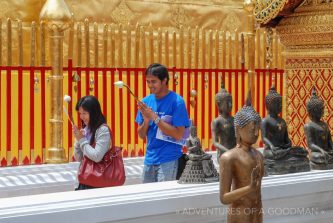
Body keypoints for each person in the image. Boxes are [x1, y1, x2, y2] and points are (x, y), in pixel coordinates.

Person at [136, 63, 190, 183]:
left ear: (164, 80)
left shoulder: (177, 102)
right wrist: (146, 120)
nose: (150, 85)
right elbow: (141, 135)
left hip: (169, 159)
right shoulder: (145, 102)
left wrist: (155, 118)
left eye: (153, 81)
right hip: (149, 159)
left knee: (164, 199)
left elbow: (178, 134)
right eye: (148, 81)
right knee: (147, 199)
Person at [220, 94, 264, 223]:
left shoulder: (259, 156)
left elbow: (258, 194)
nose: (256, 133)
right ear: (239, 130)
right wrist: (249, 188)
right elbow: (224, 198)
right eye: (252, 129)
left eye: (258, 129)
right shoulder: (229, 157)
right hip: (240, 215)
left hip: (257, 214)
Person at [261, 86, 309, 174]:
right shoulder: (265, 121)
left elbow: (286, 138)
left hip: (283, 150)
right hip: (272, 151)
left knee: (301, 151)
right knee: (272, 156)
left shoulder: (282, 121)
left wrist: (288, 143)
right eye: (277, 103)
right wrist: (271, 146)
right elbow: (264, 138)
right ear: (269, 105)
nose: (280, 106)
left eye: (281, 103)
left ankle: (288, 158)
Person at [73, 95, 111, 190]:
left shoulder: (103, 130)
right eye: (80, 113)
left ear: (93, 112)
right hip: (83, 179)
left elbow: (97, 156)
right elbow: (79, 158)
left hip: (97, 182)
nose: (82, 117)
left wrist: (82, 140)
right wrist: (78, 142)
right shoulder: (86, 129)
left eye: (85, 113)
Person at [304, 88, 333, 170]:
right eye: (321, 110)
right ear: (313, 111)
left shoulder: (325, 125)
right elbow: (311, 145)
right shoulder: (308, 126)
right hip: (317, 153)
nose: (323, 112)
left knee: (327, 156)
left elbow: (329, 141)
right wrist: (321, 150)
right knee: (319, 157)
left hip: (327, 151)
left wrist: (331, 148)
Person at [211, 84, 236, 164]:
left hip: (235, 152)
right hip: (224, 154)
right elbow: (215, 143)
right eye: (227, 102)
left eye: (231, 102)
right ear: (218, 104)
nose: (230, 105)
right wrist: (228, 151)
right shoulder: (217, 121)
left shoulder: (234, 119)